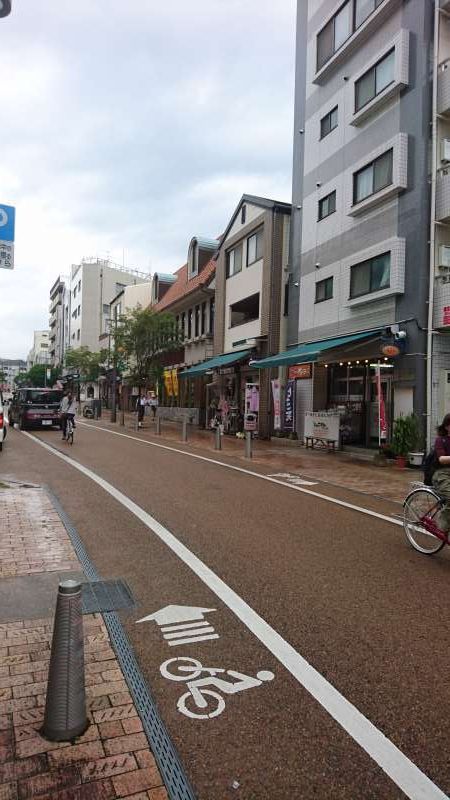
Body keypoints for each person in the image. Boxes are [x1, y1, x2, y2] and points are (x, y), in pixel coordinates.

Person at [432, 413, 450, 532]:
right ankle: (442, 524)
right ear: (447, 426)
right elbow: (441, 459)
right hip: (442, 474)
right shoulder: (440, 440)